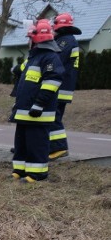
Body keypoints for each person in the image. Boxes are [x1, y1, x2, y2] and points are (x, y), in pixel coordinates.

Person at [9, 20, 63, 183]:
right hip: (25, 111)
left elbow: (52, 81)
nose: (28, 41)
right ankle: (20, 169)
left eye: (30, 38)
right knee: (21, 143)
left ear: (38, 39)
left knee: (36, 143)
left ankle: (37, 173)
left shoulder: (50, 58)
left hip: (38, 112)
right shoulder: (34, 58)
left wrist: (39, 104)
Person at [49, 12, 82, 160]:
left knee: (53, 116)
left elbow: (55, 61)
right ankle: (52, 146)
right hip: (64, 86)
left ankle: (60, 147)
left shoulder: (64, 42)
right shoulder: (69, 40)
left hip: (60, 86)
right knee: (55, 116)